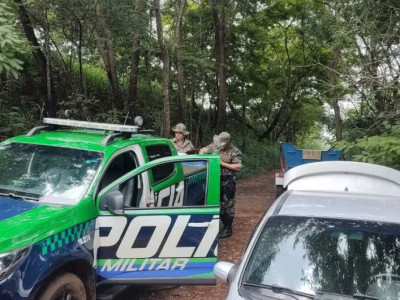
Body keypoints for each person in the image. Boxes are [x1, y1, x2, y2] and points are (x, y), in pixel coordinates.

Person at [200, 132, 242, 239]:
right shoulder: (214, 145)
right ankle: (217, 224)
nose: (220, 145)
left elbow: (238, 167)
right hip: (214, 178)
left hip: (228, 180)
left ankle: (228, 227)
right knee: (214, 201)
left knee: (227, 204)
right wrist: (204, 157)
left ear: (228, 142)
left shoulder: (234, 151)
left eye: (223, 143)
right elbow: (202, 151)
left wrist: (223, 164)